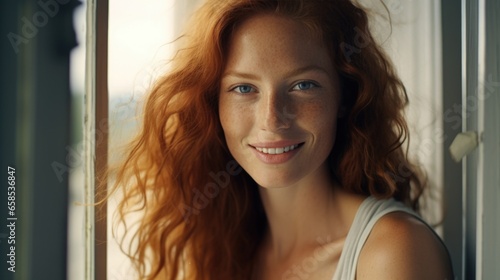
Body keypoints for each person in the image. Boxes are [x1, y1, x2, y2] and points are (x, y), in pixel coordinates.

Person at [109, 0, 454, 279]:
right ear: (214, 104)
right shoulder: (226, 249)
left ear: (345, 95)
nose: (272, 119)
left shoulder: (393, 252)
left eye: (303, 85)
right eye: (244, 88)